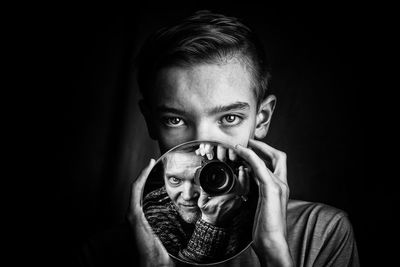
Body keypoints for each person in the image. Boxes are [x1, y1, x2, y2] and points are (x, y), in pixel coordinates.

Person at [78, 10, 359, 267]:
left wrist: (274, 251)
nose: (203, 148)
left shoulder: (321, 232)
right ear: (151, 122)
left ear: (261, 118)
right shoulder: (104, 252)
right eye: (175, 120)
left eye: (229, 118)